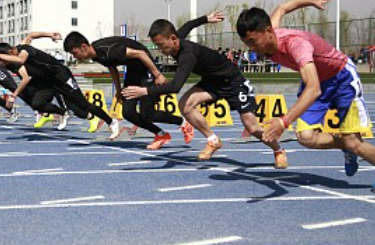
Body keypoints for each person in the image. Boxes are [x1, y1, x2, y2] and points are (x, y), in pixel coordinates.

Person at [236, 0, 375, 192]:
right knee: (306, 137)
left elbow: (313, 89)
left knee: (354, 141)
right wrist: (310, 1)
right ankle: (345, 146)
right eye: (246, 43)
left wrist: (283, 121)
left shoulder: (296, 45)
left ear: (268, 31)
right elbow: (283, 7)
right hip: (319, 78)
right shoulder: (270, 32)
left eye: (253, 41)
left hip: (342, 79)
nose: (251, 48)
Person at [122, 13, 288, 167]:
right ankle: (213, 140)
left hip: (233, 82)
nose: (160, 50)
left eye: (161, 45)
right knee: (185, 105)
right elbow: (188, 25)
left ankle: (278, 150)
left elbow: (175, 86)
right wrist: (206, 19)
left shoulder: (187, 55)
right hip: (212, 82)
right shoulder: (175, 39)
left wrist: (144, 91)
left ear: (173, 38)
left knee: (251, 127)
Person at [64, 31, 194, 150]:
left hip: (146, 68)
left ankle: (183, 122)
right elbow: (112, 66)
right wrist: (118, 89)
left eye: (74, 53)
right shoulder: (96, 54)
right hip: (133, 73)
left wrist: (157, 75)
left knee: (147, 114)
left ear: (83, 47)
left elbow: (141, 53)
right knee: (128, 112)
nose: (75, 57)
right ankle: (161, 134)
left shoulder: (110, 50)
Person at [0, 32, 120, 139]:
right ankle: (62, 112)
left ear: (10, 52)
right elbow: (31, 35)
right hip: (49, 81)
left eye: (4, 59)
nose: (4, 63)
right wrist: (49, 34)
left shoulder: (24, 51)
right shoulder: (17, 53)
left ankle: (111, 121)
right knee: (37, 103)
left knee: (81, 107)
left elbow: (21, 59)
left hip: (62, 76)